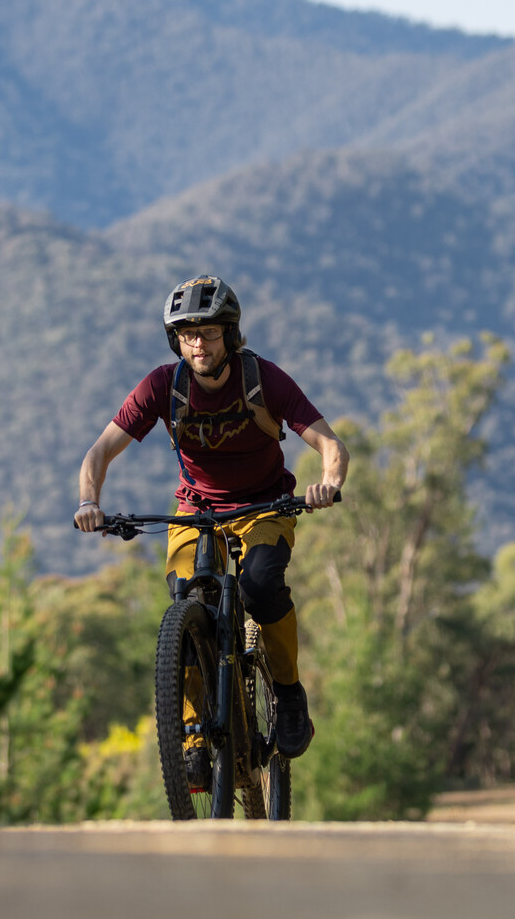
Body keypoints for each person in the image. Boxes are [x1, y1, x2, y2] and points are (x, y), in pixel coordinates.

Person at [74, 275, 348, 769]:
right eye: (187, 334)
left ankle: (288, 696)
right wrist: (88, 501)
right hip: (196, 513)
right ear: (175, 340)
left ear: (230, 334)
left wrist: (326, 482)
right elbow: (99, 451)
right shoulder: (163, 386)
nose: (198, 343)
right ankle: (196, 735)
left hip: (263, 508)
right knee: (188, 604)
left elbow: (331, 444)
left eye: (209, 332)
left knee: (262, 588)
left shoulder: (262, 380)